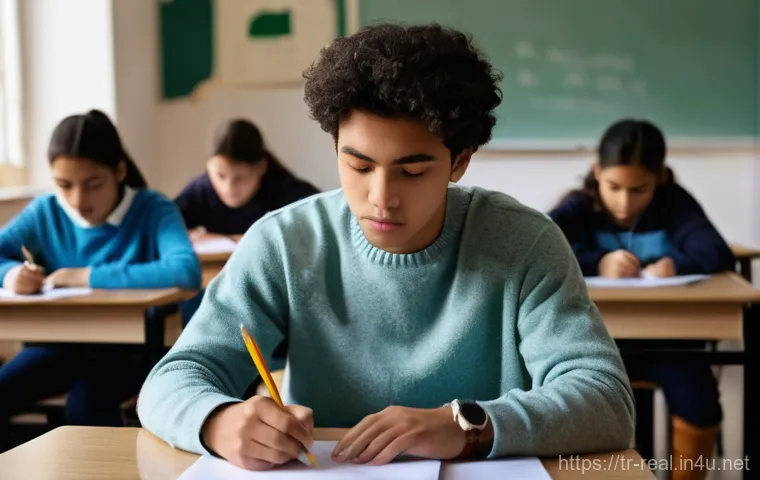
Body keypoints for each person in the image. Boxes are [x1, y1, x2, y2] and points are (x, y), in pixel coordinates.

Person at [138, 23, 634, 470]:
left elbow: (606, 400)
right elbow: (173, 378)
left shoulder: (524, 243)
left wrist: (469, 426)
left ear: (459, 162)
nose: (380, 198)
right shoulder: (285, 242)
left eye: (412, 172)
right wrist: (217, 421)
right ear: (335, 148)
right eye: (357, 166)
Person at [0, 110, 201, 445]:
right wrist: (9, 276)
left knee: (87, 405)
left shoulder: (153, 208)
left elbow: (185, 270)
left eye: (93, 185)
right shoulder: (45, 210)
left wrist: (86, 275)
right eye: (64, 185)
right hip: (58, 345)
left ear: (119, 171)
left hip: (129, 351)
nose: (78, 200)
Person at [549, 118, 733, 480]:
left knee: (700, 400)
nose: (624, 202)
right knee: (574, 405)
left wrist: (674, 264)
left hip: (670, 342)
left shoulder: (674, 204)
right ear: (596, 172)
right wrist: (597, 263)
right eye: (613, 186)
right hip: (593, 342)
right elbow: (538, 247)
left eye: (639, 190)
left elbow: (716, 252)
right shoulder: (579, 207)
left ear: (660, 179)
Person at [175, 118, 319, 240]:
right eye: (220, 176)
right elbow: (164, 224)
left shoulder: (291, 194)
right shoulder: (201, 190)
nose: (229, 188)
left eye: (240, 178)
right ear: (209, 166)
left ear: (261, 167)